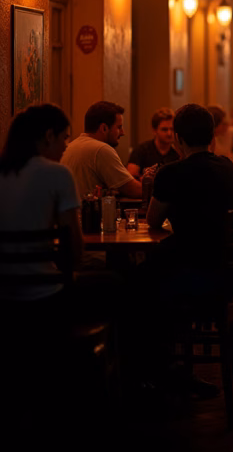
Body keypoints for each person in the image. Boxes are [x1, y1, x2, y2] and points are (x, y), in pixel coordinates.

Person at [0, 104, 82, 302]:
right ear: (49, 136)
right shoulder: (58, 174)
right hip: (46, 293)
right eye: (64, 138)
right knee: (115, 282)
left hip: (3, 293)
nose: (66, 147)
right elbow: (75, 251)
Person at [146, 104, 233, 271]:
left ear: (178, 138)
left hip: (186, 268)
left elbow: (153, 221)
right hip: (226, 268)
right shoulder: (228, 166)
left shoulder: (169, 173)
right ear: (212, 136)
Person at [61, 101, 146, 199]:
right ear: (104, 128)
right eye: (119, 127)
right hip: (88, 213)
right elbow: (133, 190)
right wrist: (152, 184)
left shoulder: (71, 146)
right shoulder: (101, 149)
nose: (123, 133)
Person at [127, 108, 180, 179]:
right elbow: (131, 176)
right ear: (154, 130)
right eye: (164, 129)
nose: (169, 133)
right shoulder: (141, 150)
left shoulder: (177, 154)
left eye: (172, 129)